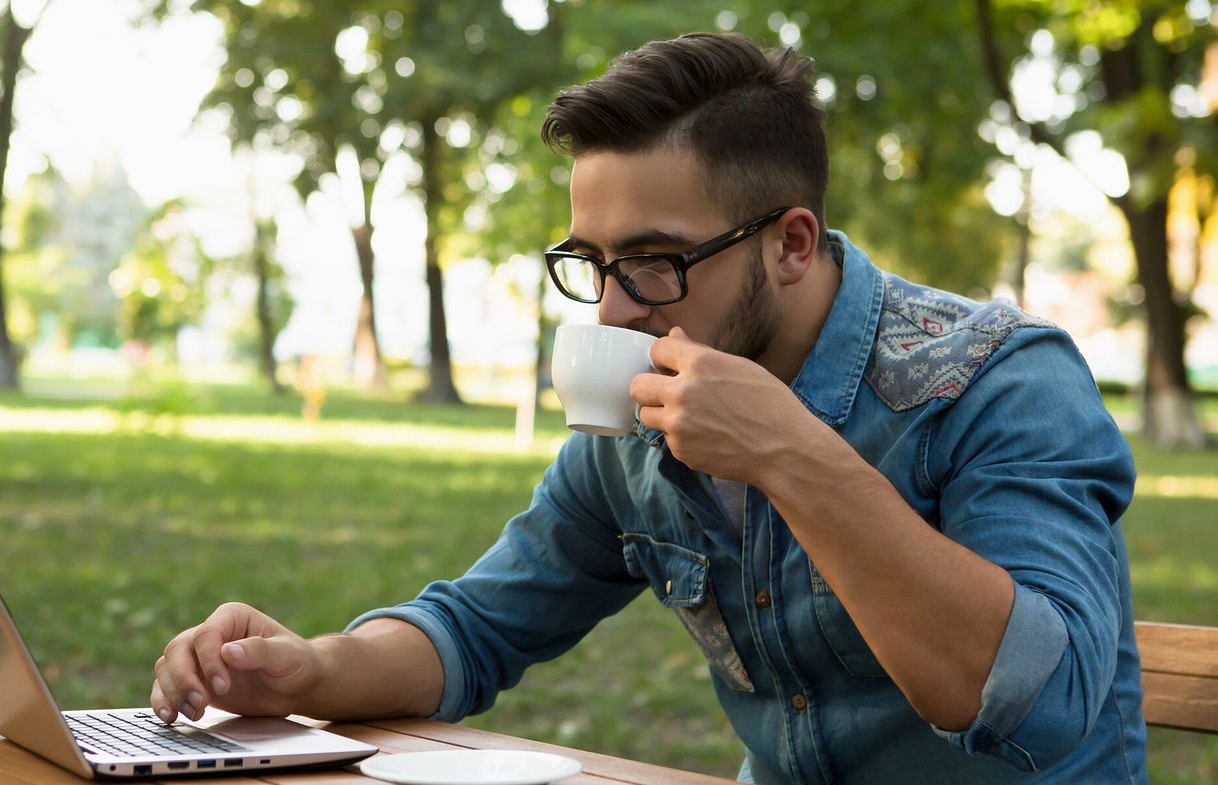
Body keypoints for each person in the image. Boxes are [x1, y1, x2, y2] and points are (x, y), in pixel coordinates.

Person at [152, 32, 1145, 785]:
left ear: (789, 244)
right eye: (588, 263)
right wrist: (309, 670)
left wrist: (790, 455)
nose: (615, 307)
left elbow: (1039, 702)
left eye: (654, 261)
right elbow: (476, 626)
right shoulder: (642, 418)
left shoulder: (998, 383)